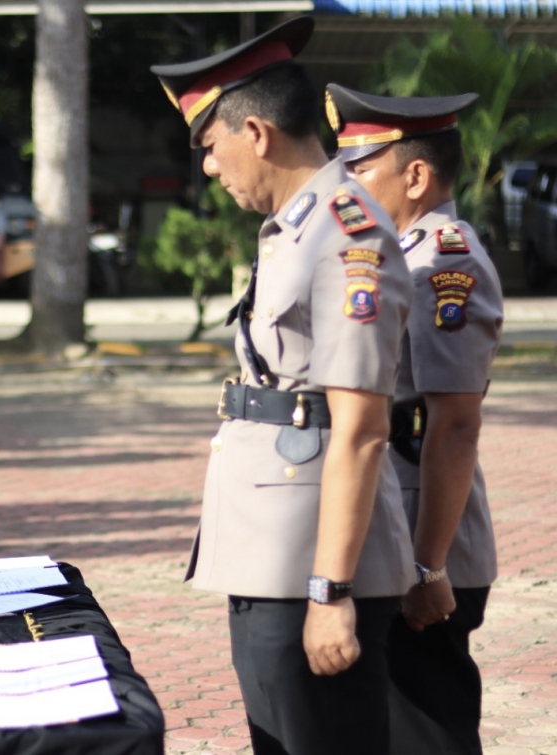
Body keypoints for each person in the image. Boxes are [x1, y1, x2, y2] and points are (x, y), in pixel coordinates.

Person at [151, 17, 415, 754]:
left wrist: (330, 591)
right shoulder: (297, 228)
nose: (209, 167)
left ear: (257, 132)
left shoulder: (347, 232)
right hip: (274, 549)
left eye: (210, 146)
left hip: (311, 559)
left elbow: (361, 430)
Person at [328, 83, 504, 755]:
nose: (348, 184)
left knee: (429, 731)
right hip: (401, 535)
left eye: (361, 168)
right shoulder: (404, 253)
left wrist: (430, 567)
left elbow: (453, 426)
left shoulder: (443, 261)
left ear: (417, 174)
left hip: (429, 548)